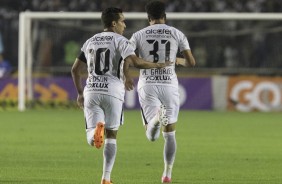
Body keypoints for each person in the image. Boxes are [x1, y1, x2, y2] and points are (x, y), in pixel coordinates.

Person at [71, 7, 170, 184]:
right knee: (112, 136)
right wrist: (157, 65)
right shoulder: (122, 41)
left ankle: (95, 132)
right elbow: (136, 61)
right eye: (123, 21)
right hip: (113, 92)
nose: (125, 25)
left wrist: (79, 93)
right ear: (114, 23)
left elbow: (75, 70)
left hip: (92, 90)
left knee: (91, 136)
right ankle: (106, 178)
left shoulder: (90, 41)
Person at [129, 1, 196, 183]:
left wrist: (126, 76)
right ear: (165, 16)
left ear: (148, 18)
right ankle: (167, 174)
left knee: (151, 136)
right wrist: (175, 60)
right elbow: (191, 63)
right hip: (169, 85)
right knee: (170, 134)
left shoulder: (138, 35)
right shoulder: (177, 33)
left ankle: (158, 117)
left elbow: (128, 59)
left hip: (148, 84)